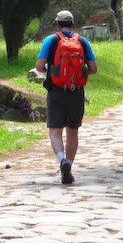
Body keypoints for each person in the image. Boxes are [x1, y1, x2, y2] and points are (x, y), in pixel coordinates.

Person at [35, 10, 97, 184]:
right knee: (73, 131)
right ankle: (69, 163)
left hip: (56, 91)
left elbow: (39, 66)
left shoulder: (51, 40)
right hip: (76, 92)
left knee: (55, 131)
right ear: (73, 23)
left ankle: (62, 160)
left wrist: (54, 72)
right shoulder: (82, 41)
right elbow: (93, 68)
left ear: (57, 24)